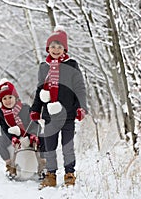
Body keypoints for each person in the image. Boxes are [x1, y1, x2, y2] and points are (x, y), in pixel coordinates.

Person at [30, 26, 87, 188]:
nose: (56, 49)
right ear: (48, 48)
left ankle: (69, 174)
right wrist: (35, 109)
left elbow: (80, 88)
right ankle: (51, 175)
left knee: (67, 146)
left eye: (59, 46)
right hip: (49, 116)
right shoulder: (44, 67)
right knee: (49, 146)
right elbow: (40, 89)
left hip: (68, 114)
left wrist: (81, 107)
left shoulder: (72, 65)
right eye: (53, 46)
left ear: (64, 49)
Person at [0, 78, 45, 178]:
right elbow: (4, 128)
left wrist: (32, 135)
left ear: (15, 97)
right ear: (1, 101)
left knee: (43, 138)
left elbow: (35, 124)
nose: (8, 101)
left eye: (10, 97)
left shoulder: (25, 108)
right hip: (13, 137)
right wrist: (12, 137)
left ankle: (43, 166)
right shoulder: (1, 113)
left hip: (28, 135)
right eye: (4, 99)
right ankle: (10, 167)